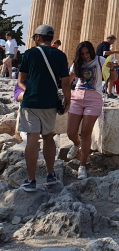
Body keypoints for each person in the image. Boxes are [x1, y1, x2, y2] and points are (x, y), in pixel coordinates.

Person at [17, 24, 71, 192]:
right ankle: (50, 175)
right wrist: (67, 100)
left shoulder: (29, 54)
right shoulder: (61, 55)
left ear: (38, 37)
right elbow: (65, 82)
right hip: (49, 103)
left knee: (32, 140)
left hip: (31, 102)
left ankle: (31, 180)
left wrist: (30, 90)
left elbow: (20, 81)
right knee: (48, 137)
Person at [66, 41, 111, 179]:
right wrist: (64, 96)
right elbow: (68, 80)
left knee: (86, 132)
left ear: (91, 51)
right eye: (82, 54)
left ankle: (82, 166)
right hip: (77, 96)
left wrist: (112, 69)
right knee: (70, 132)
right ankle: (76, 143)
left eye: (87, 53)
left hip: (94, 99)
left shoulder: (100, 60)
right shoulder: (77, 64)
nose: (85, 56)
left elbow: (112, 78)